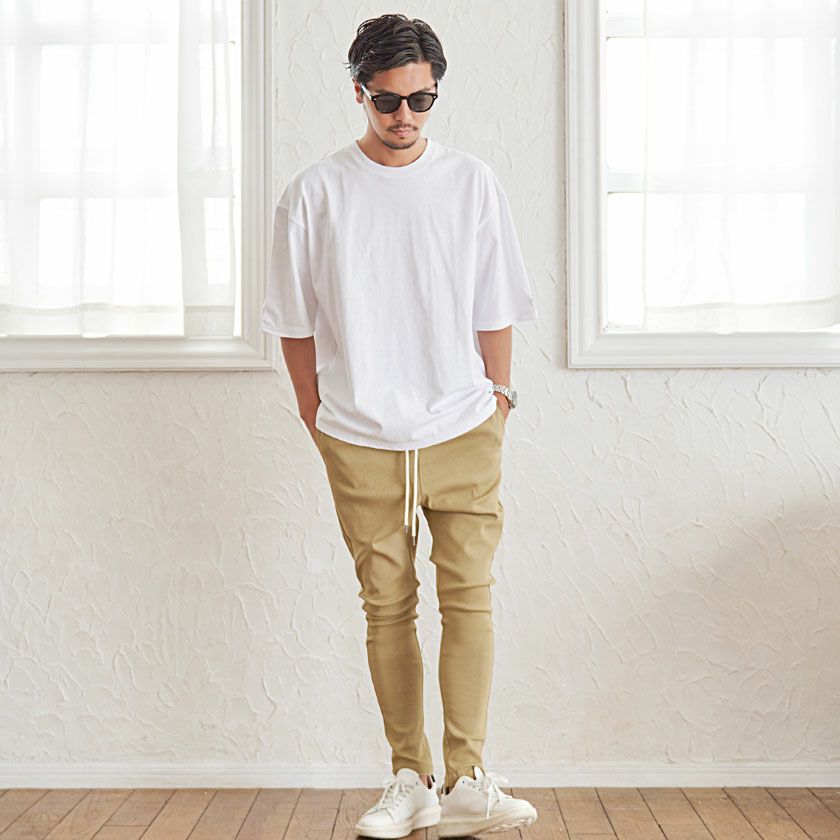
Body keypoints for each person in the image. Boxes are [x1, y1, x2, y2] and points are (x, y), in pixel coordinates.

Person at [261, 13, 540, 838]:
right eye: (388, 100)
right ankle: (409, 779)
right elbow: (293, 323)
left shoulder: (471, 183)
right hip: (359, 434)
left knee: (470, 598)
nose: (406, 116)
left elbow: (495, 301)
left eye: (422, 99)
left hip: (464, 424)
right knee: (385, 606)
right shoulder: (314, 194)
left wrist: (499, 399)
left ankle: (469, 779)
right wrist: (316, 417)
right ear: (359, 93)